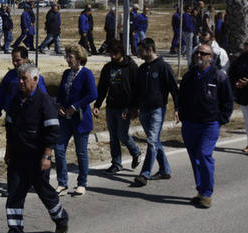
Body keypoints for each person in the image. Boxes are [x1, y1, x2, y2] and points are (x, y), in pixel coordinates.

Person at [0, 64, 69, 233]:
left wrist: (46, 155)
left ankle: (61, 219)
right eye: (20, 78)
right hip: (17, 157)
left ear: (35, 80)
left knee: (45, 192)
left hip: (37, 159)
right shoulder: (15, 101)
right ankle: (15, 231)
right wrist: (8, 150)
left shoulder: (45, 102)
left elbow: (53, 131)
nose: (20, 82)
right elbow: (10, 127)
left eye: (25, 79)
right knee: (14, 193)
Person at [177, 43, 234, 208]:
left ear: (211, 57)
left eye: (203, 54)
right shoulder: (189, 76)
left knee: (204, 155)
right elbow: (182, 97)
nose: (199, 56)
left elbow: (227, 101)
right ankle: (201, 190)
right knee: (195, 158)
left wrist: (220, 119)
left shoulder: (219, 76)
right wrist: (182, 114)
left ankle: (207, 193)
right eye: (197, 53)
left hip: (209, 125)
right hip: (190, 125)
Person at [130, 38, 180, 186]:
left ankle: (144, 174)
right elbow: (136, 90)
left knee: (151, 141)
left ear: (150, 49)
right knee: (155, 140)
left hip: (158, 109)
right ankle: (165, 170)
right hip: (144, 109)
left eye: (141, 51)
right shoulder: (142, 68)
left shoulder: (163, 66)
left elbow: (174, 89)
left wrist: (178, 108)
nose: (139, 53)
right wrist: (134, 107)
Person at [54, 45, 98, 196]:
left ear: (79, 59)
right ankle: (62, 182)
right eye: (67, 57)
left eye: (70, 57)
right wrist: (59, 105)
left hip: (80, 119)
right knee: (59, 149)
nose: (68, 60)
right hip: (64, 118)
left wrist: (75, 106)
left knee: (81, 152)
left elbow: (93, 94)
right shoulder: (66, 73)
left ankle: (82, 183)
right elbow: (60, 93)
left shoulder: (86, 74)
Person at [93, 41, 141, 174]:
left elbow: (137, 89)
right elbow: (102, 87)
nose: (112, 56)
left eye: (115, 53)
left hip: (125, 107)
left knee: (122, 134)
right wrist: (97, 104)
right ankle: (116, 163)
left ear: (121, 52)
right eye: (110, 54)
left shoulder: (131, 67)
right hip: (111, 106)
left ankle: (135, 151)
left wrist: (134, 107)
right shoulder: (108, 68)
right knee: (113, 136)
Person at [0, 46, 46, 130]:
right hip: (12, 116)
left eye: (18, 60)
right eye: (13, 60)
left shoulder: (36, 78)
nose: (14, 63)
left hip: (31, 118)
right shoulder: (9, 76)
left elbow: (44, 99)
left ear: (26, 59)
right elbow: (1, 95)